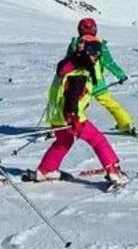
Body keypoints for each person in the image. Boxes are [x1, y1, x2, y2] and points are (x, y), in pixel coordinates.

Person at [32, 36, 127, 186]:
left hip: (57, 116)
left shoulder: (70, 64)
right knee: (98, 140)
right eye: (96, 54)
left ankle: (46, 170)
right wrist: (74, 117)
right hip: (71, 116)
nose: (97, 58)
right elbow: (71, 96)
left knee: (64, 141)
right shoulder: (78, 73)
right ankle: (114, 172)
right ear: (89, 53)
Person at [66, 17, 137, 136]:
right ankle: (126, 124)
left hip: (80, 82)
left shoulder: (75, 44)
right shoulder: (100, 45)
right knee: (110, 103)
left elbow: (68, 62)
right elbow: (109, 63)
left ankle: (65, 124)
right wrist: (120, 75)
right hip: (97, 82)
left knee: (75, 104)